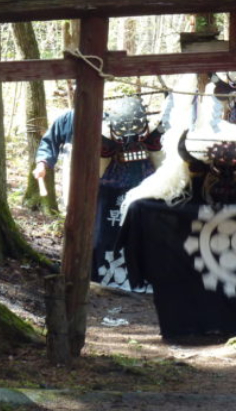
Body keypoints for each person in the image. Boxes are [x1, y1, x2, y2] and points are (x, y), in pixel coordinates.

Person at [33, 98, 163, 291]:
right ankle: (89, 272)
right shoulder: (70, 119)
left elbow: (162, 156)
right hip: (101, 188)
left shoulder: (148, 129)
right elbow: (50, 142)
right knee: (98, 234)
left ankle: (141, 275)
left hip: (140, 187)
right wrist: (43, 162)